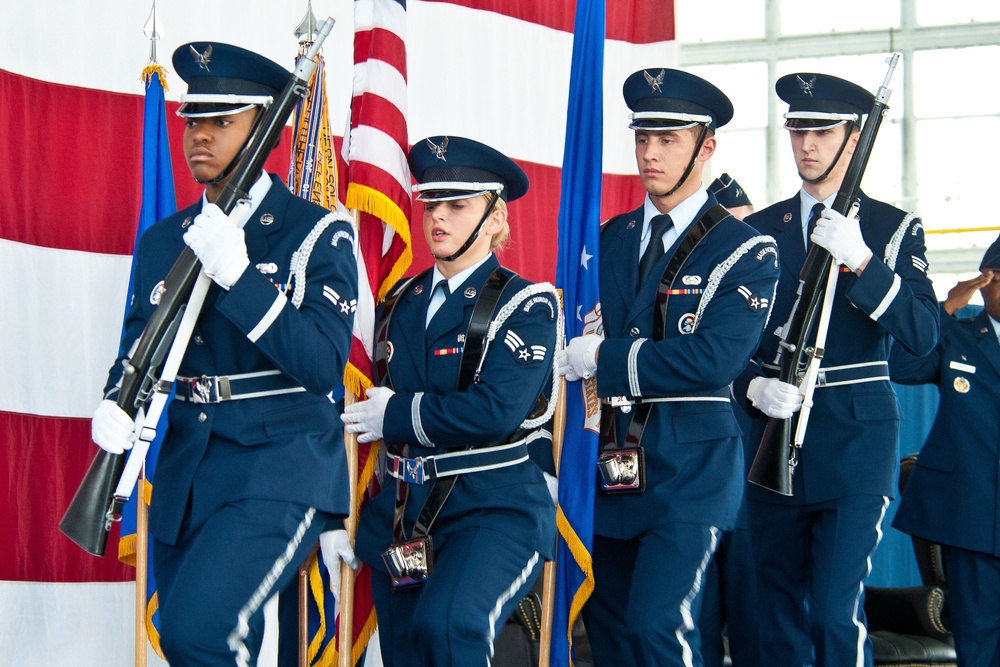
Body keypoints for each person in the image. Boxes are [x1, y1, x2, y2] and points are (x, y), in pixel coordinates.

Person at [88, 42, 358, 665]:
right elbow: (137, 343)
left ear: (264, 128)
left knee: (201, 635)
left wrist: (242, 276)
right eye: (193, 121)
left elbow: (321, 363)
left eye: (222, 122)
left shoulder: (316, 232)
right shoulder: (165, 240)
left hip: (278, 466)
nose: (199, 137)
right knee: (188, 641)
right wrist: (115, 404)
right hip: (189, 468)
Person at [560, 67, 780, 666]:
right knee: (610, 638)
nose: (650, 154)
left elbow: (712, 359)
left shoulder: (744, 249)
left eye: (669, 140)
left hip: (690, 473)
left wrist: (605, 360)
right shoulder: (606, 239)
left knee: (661, 628)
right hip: (607, 469)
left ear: (706, 147)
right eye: (642, 138)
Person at [737, 72, 939, 666]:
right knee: (776, 614)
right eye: (798, 130)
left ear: (854, 140)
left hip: (855, 441)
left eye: (822, 131)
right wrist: (753, 382)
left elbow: (923, 335)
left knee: (831, 610)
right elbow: (735, 340)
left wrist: (864, 263)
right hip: (771, 436)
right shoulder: (757, 234)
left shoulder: (891, 229)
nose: (807, 144)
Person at [340, 135, 558, 666]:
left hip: (491, 508)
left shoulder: (526, 304)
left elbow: (494, 411)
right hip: (401, 513)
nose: (438, 217)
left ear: (495, 216)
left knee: (452, 624)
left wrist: (397, 414)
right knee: (407, 647)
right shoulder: (400, 302)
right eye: (431, 204)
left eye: (457, 205)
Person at [890, 235, 1000, 667]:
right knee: (977, 632)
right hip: (971, 514)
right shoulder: (958, 334)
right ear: (985, 280)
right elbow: (903, 365)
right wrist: (946, 307)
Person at [700, 172, 761, 667]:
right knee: (697, 614)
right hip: (695, 468)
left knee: (751, 613)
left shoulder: (762, 276)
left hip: (750, 479)